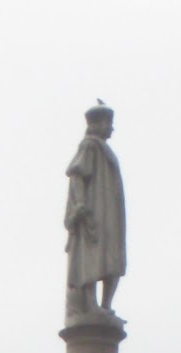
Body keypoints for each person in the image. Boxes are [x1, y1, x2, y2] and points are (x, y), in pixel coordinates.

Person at [64, 102, 126, 318]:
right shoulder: (89, 145)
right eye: (109, 124)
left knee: (113, 259)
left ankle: (106, 306)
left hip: (111, 215)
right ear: (97, 124)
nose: (111, 129)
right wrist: (80, 204)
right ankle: (90, 305)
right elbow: (77, 174)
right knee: (92, 258)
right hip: (96, 213)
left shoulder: (103, 148)